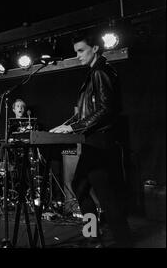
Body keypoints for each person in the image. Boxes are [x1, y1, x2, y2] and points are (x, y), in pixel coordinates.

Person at [50, 32, 131, 247]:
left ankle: (122, 242)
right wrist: (67, 125)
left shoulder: (101, 71)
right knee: (80, 186)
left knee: (106, 197)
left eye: (81, 50)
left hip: (100, 143)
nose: (77, 55)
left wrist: (75, 127)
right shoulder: (95, 72)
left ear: (95, 48)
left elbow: (106, 109)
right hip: (94, 142)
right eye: (76, 51)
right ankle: (93, 234)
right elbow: (87, 112)